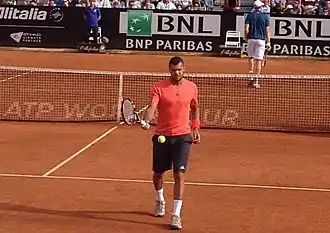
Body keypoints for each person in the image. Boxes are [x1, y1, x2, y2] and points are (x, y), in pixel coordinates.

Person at [140, 56, 201, 230]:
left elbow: (195, 107)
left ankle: (176, 215)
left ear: (184, 69)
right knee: (158, 174)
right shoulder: (158, 87)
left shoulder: (192, 87)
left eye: (180, 69)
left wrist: (195, 127)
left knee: (179, 175)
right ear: (169, 70)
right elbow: (152, 106)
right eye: (174, 70)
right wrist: (147, 120)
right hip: (162, 136)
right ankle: (160, 200)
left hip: (183, 136)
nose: (177, 72)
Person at [245, 0, 271, 88]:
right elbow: (267, 31)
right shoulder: (265, 17)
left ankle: (251, 78)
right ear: (261, 7)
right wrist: (269, 42)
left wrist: (246, 38)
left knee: (250, 58)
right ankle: (256, 81)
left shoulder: (249, 15)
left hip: (251, 39)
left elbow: (246, 30)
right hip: (261, 41)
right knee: (259, 61)